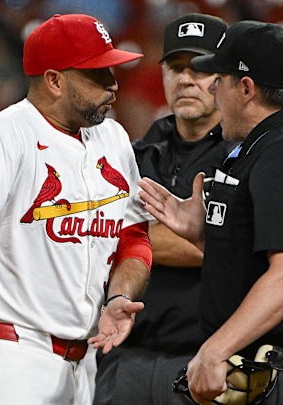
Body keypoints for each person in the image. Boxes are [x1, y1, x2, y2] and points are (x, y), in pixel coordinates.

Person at [0, 14, 153, 405]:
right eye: (98, 74)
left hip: (85, 362)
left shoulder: (113, 138)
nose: (113, 85)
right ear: (54, 80)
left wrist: (118, 298)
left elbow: (133, 237)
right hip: (11, 358)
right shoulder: (5, 135)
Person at [139, 21, 283, 404]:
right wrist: (201, 233)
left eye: (219, 79)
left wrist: (214, 349)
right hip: (261, 367)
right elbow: (256, 256)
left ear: (247, 88)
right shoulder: (259, 148)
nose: (214, 91)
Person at [93, 13, 233, 405]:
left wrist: (129, 236)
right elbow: (92, 235)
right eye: (175, 67)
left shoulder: (246, 155)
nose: (186, 79)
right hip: (123, 359)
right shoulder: (131, 155)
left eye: (201, 68)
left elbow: (224, 247)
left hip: (209, 362)